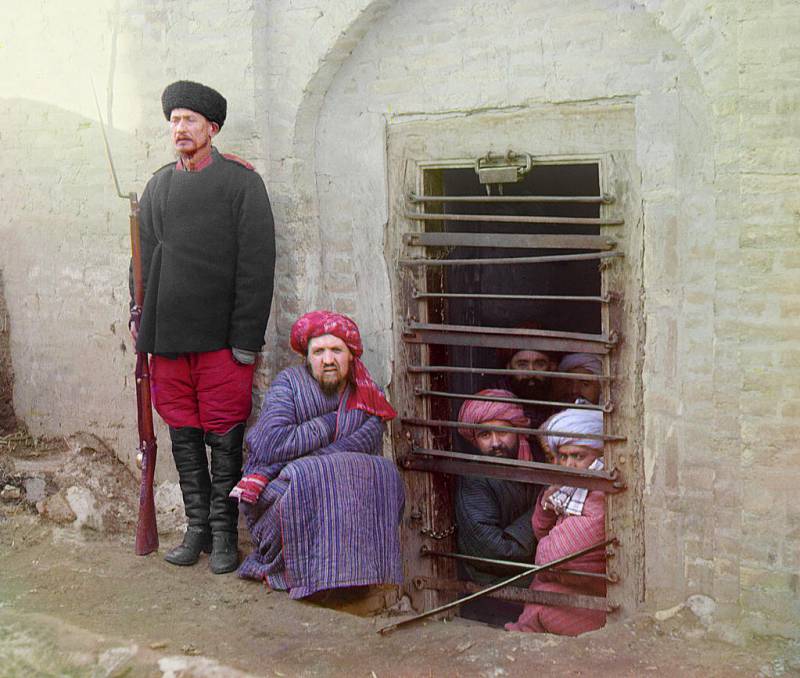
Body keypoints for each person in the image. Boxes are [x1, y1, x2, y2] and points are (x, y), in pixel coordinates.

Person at [130, 80, 275, 573]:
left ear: (212, 129)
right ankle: (195, 529)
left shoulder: (241, 184)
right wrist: (141, 321)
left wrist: (245, 341)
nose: (180, 130)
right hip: (168, 340)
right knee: (184, 434)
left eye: (190, 121)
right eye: (174, 121)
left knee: (223, 435)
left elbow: (257, 269)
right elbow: (142, 264)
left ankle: (223, 533)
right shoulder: (158, 186)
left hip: (221, 341)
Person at [232, 310, 405, 599]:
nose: (327, 360)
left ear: (351, 356)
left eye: (337, 350)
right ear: (307, 357)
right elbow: (270, 442)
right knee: (312, 477)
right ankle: (308, 577)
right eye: (319, 352)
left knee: (381, 473)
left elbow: (368, 444)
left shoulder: (366, 395)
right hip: (282, 488)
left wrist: (317, 462)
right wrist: (328, 425)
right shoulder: (288, 385)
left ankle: (357, 576)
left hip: (343, 491)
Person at [505, 408, 607, 636]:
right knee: (540, 594)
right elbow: (539, 531)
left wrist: (544, 547)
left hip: (591, 595)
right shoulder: (571, 490)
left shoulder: (599, 498)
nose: (568, 464)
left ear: (600, 456)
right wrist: (547, 504)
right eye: (563, 456)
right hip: (565, 584)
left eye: (578, 456)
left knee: (542, 604)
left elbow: (550, 557)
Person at [454, 390, 544, 625]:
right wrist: (542, 510)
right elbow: (494, 551)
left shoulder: (537, 462)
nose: (495, 443)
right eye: (485, 434)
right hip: (496, 584)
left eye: (503, 431)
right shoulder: (475, 478)